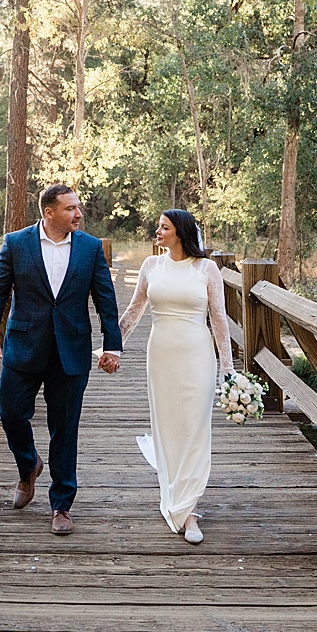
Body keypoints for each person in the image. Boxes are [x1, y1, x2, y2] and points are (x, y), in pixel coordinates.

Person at [0, 185, 122, 534]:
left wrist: (112, 346)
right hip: (23, 346)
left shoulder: (90, 248)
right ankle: (29, 467)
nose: (79, 214)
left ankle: (61, 506)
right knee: (10, 412)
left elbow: (106, 298)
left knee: (64, 429)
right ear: (49, 212)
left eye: (78, 207)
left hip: (71, 351)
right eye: (71, 208)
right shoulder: (16, 243)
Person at [117, 209, 232, 544]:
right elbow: (136, 307)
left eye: (163, 227)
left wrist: (227, 366)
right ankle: (172, 497)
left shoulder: (206, 268)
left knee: (194, 428)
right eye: (158, 227)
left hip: (197, 355)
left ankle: (189, 510)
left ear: (180, 232)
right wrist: (114, 346)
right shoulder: (152, 266)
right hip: (161, 356)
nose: (157, 231)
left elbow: (220, 320)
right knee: (168, 428)